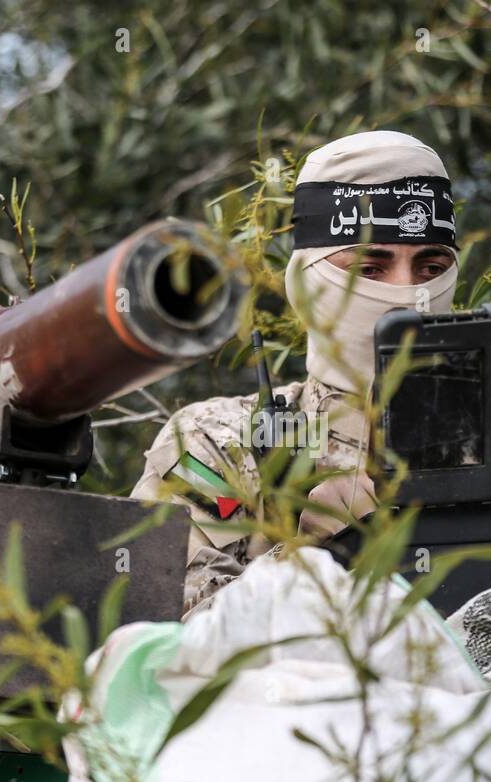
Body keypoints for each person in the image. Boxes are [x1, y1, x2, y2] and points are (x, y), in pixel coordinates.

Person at [131, 130, 459, 616]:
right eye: (369, 269)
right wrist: (313, 553)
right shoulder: (217, 444)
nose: (408, 295)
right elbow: (158, 640)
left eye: (430, 268)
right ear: (305, 285)